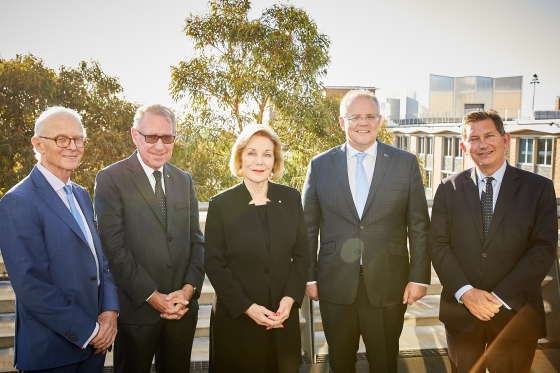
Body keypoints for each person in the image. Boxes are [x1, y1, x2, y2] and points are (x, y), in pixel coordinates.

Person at [302, 89, 430, 373]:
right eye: (355, 116)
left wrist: (420, 277)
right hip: (334, 283)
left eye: (370, 116)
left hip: (389, 282)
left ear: (380, 120)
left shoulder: (404, 163)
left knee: (384, 362)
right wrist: (308, 276)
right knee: (340, 362)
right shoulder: (320, 165)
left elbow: (419, 225)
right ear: (342, 122)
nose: (363, 122)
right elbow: (307, 228)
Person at [429, 109, 558, 373]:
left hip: (516, 313)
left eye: (489, 135)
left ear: (505, 139)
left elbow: (544, 248)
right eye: (474, 138)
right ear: (465, 147)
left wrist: (499, 297)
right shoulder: (447, 188)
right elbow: (438, 245)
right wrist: (466, 293)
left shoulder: (539, 188)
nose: (482, 144)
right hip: (462, 312)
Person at [0, 107, 119, 372]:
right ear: (38, 144)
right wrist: (90, 331)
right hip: (52, 353)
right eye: (62, 139)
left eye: (79, 139)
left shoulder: (80, 194)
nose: (73, 147)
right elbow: (32, 287)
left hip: (94, 349)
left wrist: (110, 314)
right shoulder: (18, 201)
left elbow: (100, 260)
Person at [94, 104, 205, 373]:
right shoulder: (111, 179)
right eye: (151, 136)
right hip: (137, 315)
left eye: (167, 137)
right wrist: (154, 297)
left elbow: (197, 241)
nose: (159, 145)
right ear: (134, 135)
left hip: (181, 312)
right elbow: (113, 248)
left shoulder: (183, 179)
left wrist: (187, 292)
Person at [203, 124, 309, 373]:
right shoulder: (221, 204)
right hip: (237, 318)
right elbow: (214, 262)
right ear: (240, 158)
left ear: (275, 161)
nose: (259, 161)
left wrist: (290, 298)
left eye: (267, 154)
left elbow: (302, 254)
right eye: (251, 153)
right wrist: (247, 307)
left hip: (281, 317)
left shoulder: (291, 198)